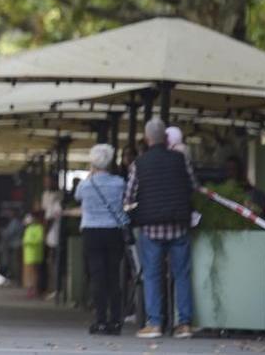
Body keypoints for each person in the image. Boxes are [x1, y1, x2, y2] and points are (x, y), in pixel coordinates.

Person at [124, 117, 196, 339]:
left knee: (153, 276)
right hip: (178, 225)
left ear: (147, 139)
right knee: (181, 274)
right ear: (165, 137)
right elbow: (193, 185)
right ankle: (183, 324)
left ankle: (155, 324)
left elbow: (128, 197)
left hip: (152, 228)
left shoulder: (139, 163)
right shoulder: (180, 159)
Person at [75, 143, 128, 336]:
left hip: (91, 232)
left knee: (97, 276)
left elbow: (77, 196)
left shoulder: (85, 185)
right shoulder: (119, 182)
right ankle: (116, 320)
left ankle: (100, 320)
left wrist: (90, 175)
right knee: (113, 276)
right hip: (113, 231)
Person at [22, 210, 45, 298]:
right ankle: (30, 289)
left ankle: (35, 290)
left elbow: (39, 239)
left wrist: (28, 242)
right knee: (30, 274)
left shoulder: (39, 228)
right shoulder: (28, 228)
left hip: (36, 254)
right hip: (28, 255)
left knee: (35, 273)